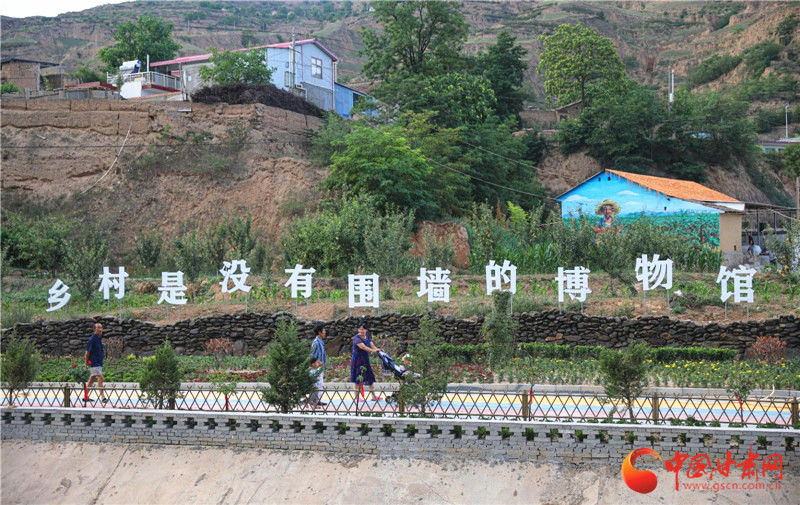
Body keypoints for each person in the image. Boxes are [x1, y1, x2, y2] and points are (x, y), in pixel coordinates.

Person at [349, 319, 382, 402]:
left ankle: (373, 396)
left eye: (363, 329)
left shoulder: (367, 336)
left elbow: (371, 345)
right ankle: (356, 397)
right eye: (360, 329)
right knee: (357, 378)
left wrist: (377, 349)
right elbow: (363, 347)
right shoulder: (356, 338)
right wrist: (373, 351)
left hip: (365, 360)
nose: (361, 331)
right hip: (357, 360)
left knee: (370, 377)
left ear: (366, 330)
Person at [85, 323, 108, 404]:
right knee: (100, 377)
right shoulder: (92, 339)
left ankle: (85, 396)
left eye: (101, 327)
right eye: (98, 327)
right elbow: (87, 352)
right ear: (94, 329)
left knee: (92, 379)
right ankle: (103, 397)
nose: (100, 329)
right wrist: (86, 362)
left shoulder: (99, 338)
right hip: (94, 362)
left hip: (99, 361)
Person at [309, 323, 327, 408]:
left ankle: (317, 400)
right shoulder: (316, 342)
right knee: (316, 385)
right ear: (319, 332)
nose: (325, 332)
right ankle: (313, 402)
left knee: (320, 384)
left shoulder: (321, 341)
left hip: (320, 367)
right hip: (316, 367)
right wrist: (316, 363)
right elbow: (312, 355)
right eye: (323, 330)